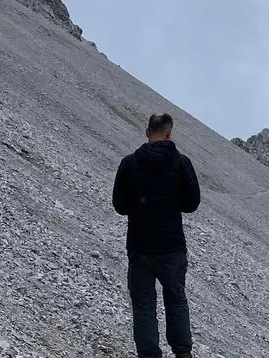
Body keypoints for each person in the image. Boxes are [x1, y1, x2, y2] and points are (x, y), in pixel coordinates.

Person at [112, 112, 201, 358]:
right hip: (172, 246)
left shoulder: (129, 163)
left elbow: (119, 206)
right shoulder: (182, 163)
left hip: (140, 247)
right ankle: (182, 352)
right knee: (176, 299)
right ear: (169, 132)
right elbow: (191, 204)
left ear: (147, 131)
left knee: (143, 306)